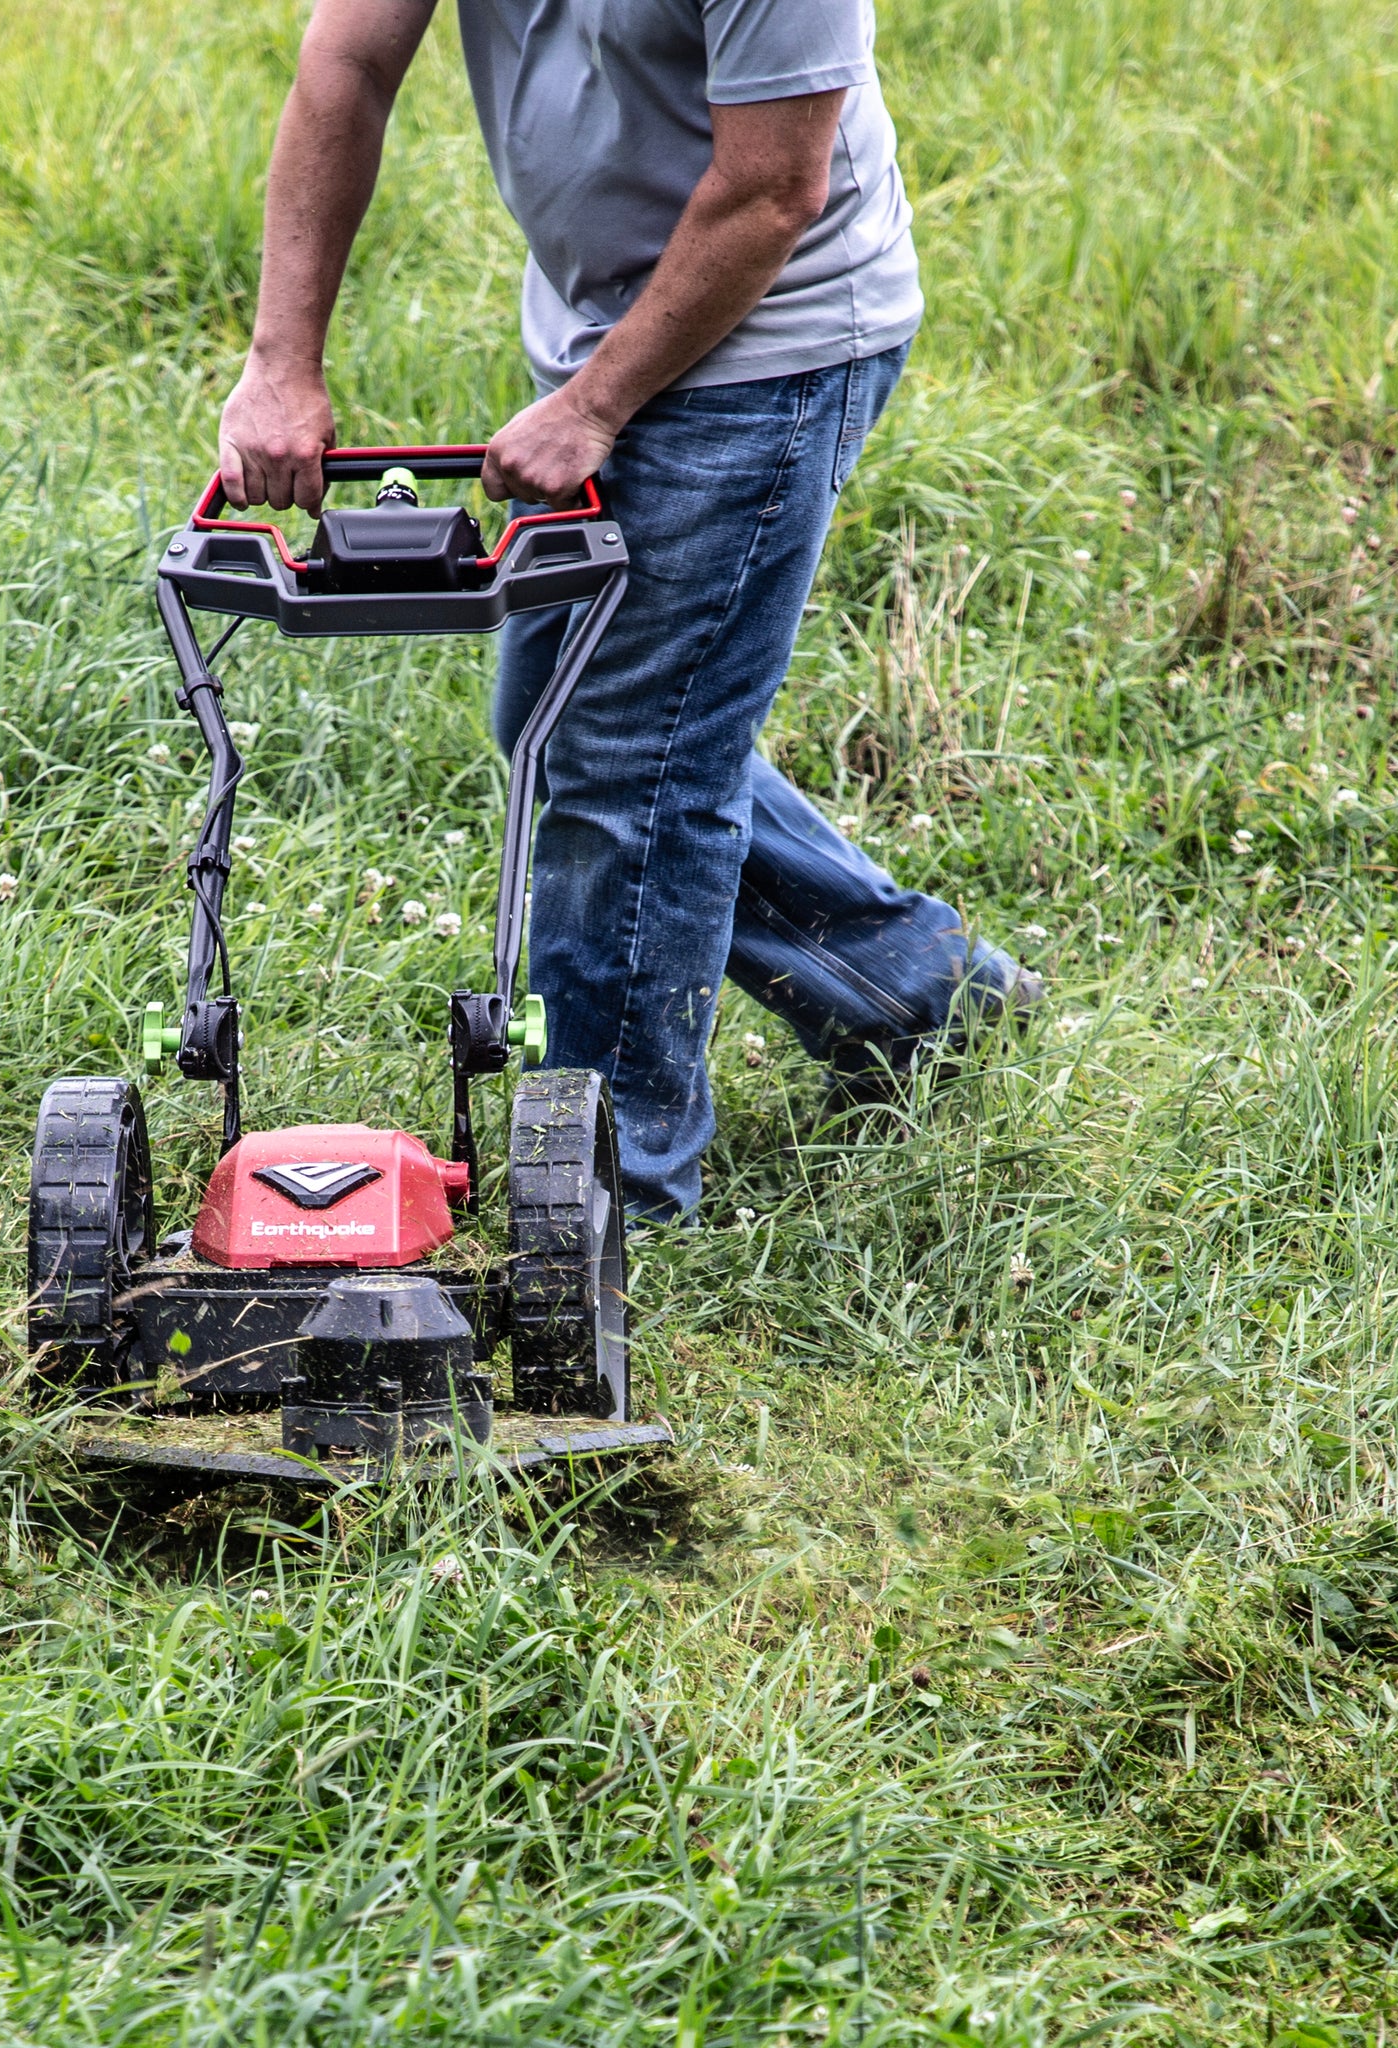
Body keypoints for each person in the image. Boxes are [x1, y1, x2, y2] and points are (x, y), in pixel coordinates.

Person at [218, 0, 1040, 1221]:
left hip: (772, 340)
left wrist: (595, 408)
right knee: (588, 731)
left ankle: (611, 1192)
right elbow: (345, 62)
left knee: (627, 765)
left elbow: (770, 190)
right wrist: (282, 357)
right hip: (610, 312)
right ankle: (916, 990)